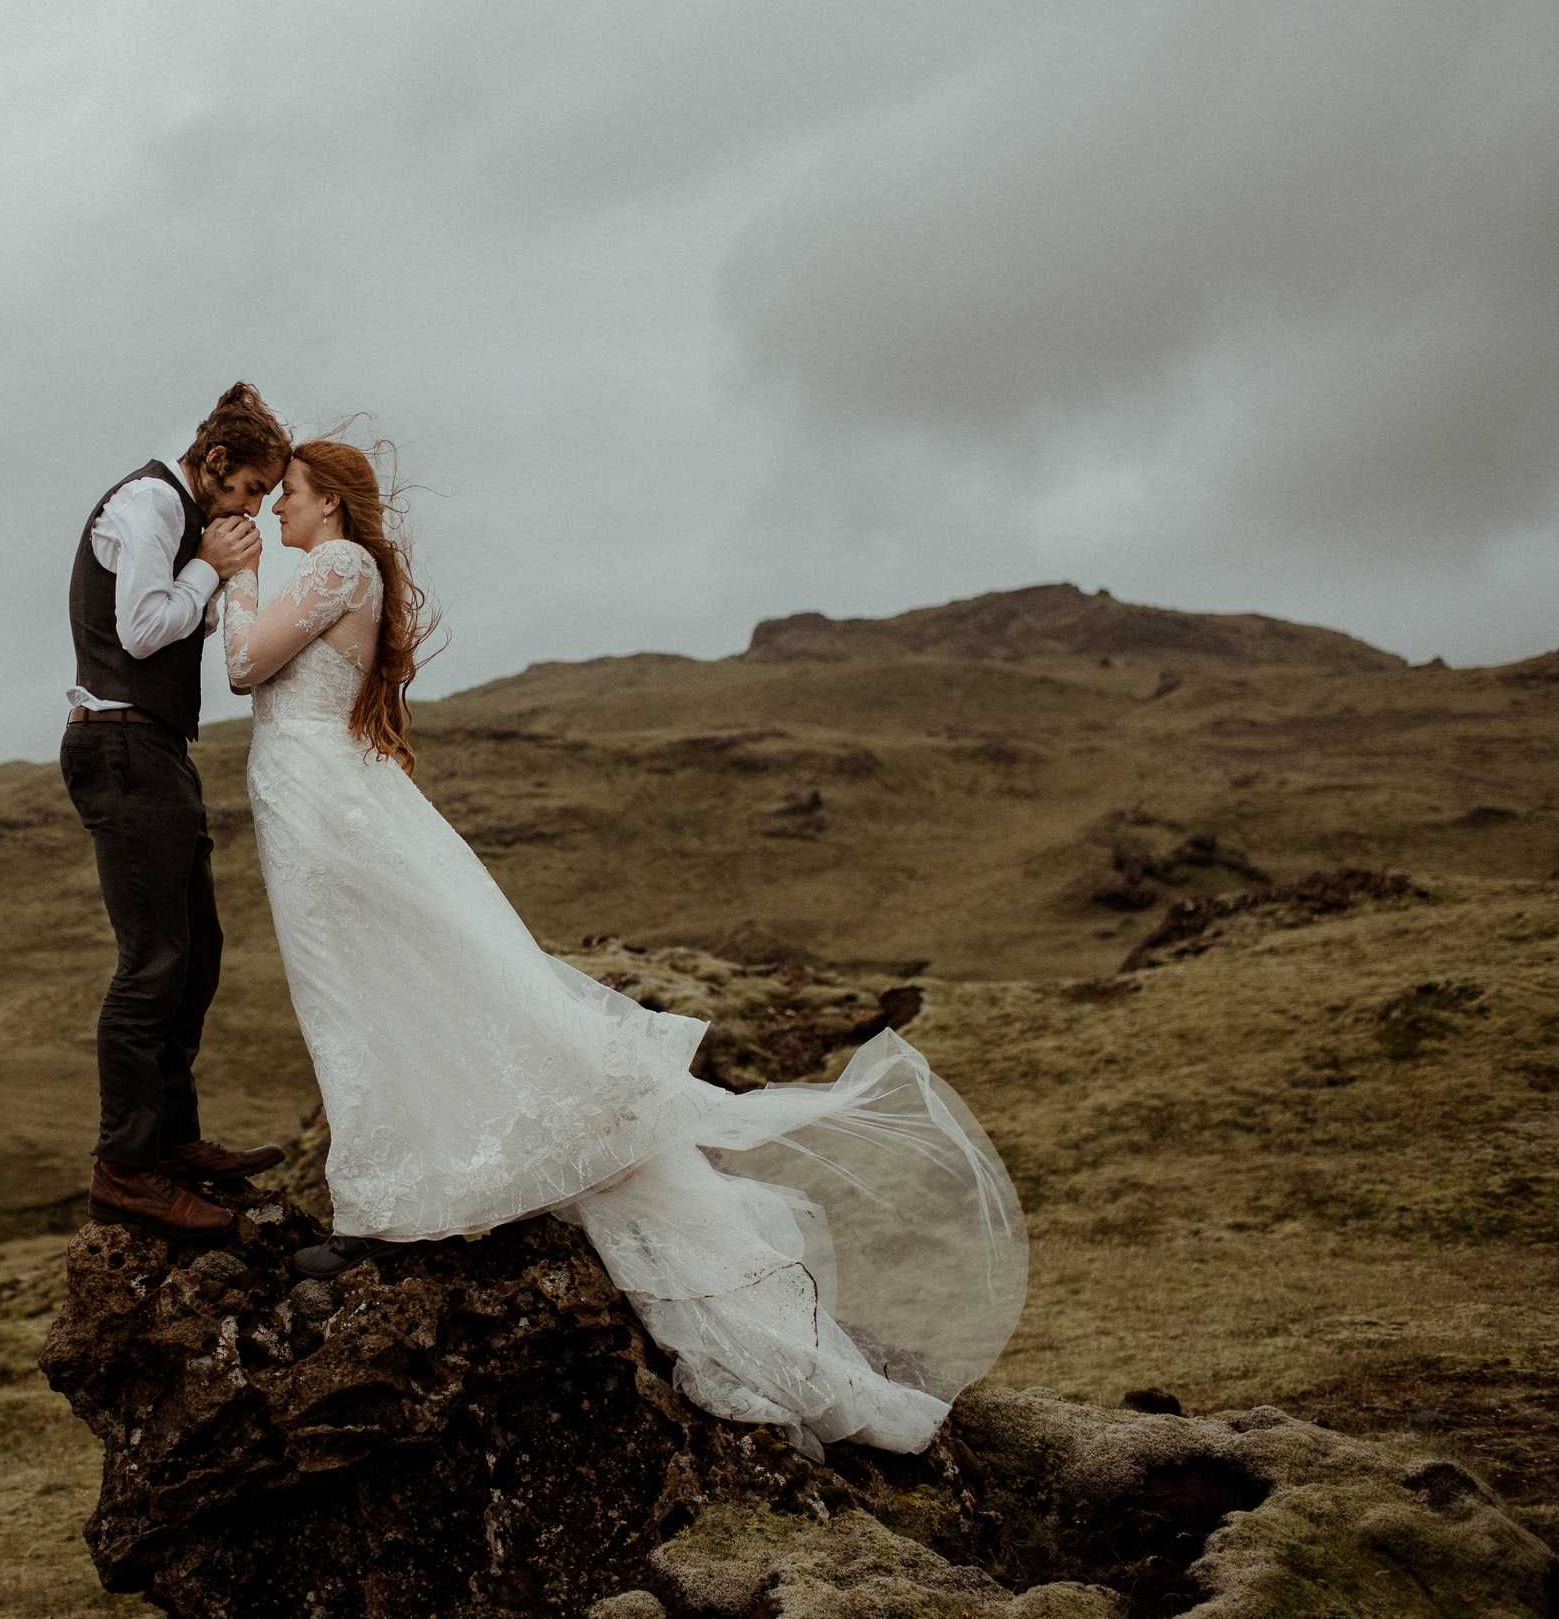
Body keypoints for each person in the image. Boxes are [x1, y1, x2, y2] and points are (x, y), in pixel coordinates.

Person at [218, 434, 1028, 1457]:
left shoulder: (335, 564)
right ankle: (386, 1189)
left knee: (376, 991)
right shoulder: (340, 565)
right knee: (360, 994)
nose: (275, 510)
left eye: (285, 493)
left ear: (327, 499)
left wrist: (235, 581)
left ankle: (386, 1199)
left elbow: (246, 665)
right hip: (315, 812)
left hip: (331, 814)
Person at [64, 383, 295, 1244]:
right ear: (216, 464)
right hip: (121, 746)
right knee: (152, 961)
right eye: (250, 492)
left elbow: (170, 621)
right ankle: (125, 1170)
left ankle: (171, 1141)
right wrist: (213, 565)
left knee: (195, 951)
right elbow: (140, 628)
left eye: (267, 501)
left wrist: (211, 578)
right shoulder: (155, 501)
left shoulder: (177, 513)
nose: (254, 512)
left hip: (155, 748)